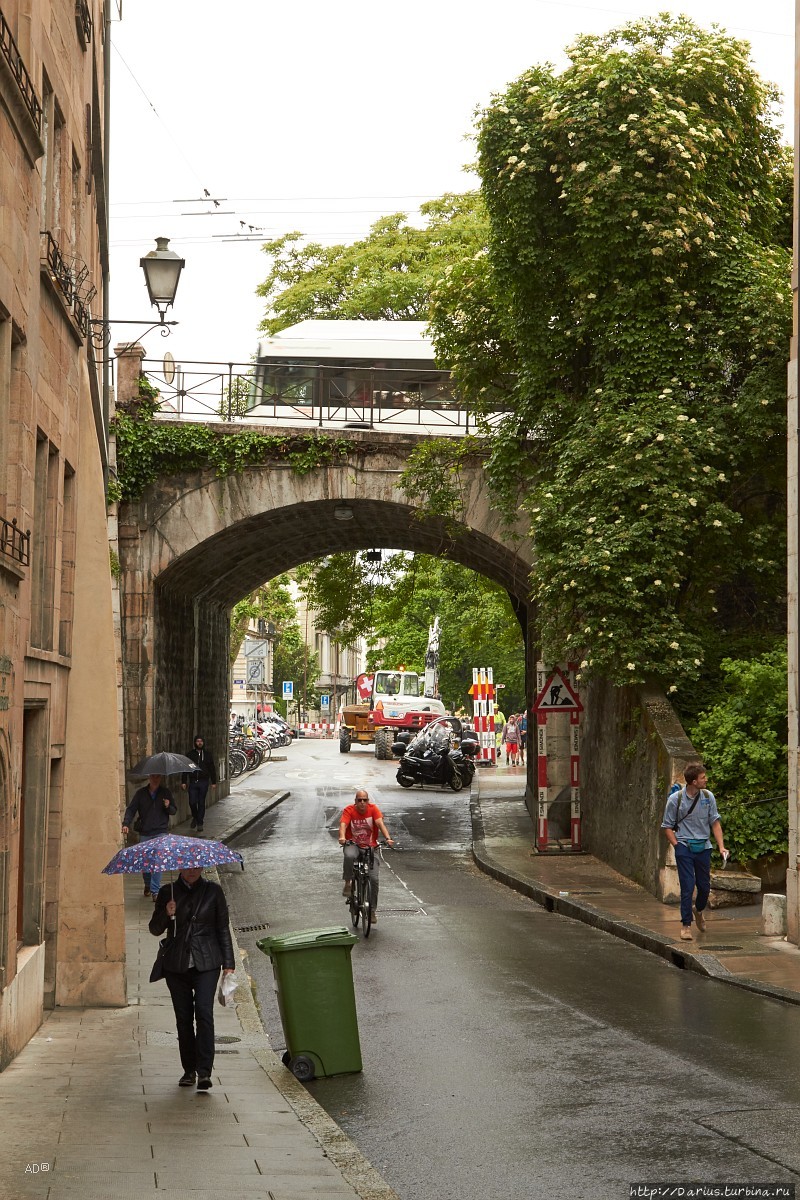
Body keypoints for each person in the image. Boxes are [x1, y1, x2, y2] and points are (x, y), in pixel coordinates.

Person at [149, 867, 235, 1091]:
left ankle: (205, 1072)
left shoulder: (213, 891)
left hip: (207, 961)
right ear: (179, 868)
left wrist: (229, 965)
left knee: (204, 1013)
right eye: (188, 868)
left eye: (196, 868)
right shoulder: (169, 892)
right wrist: (166, 913)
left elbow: (222, 928)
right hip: (177, 965)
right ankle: (189, 1070)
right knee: (184, 1018)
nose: (192, 872)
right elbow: (154, 929)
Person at [661, 763, 728, 941]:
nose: (706, 779)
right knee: (687, 886)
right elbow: (667, 826)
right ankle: (686, 926)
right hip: (684, 846)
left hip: (703, 847)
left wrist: (721, 846)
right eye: (703, 777)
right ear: (693, 781)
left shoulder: (708, 796)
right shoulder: (675, 799)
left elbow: (715, 823)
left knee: (704, 887)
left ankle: (698, 911)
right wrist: (677, 846)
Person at [338, 789, 393, 923]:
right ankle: (348, 883)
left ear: (368, 801)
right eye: (359, 800)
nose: (362, 803)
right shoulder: (349, 810)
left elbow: (380, 823)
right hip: (353, 844)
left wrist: (388, 838)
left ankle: (372, 911)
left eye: (365, 800)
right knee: (349, 855)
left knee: (374, 879)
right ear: (355, 801)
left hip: (370, 848)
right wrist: (342, 837)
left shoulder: (373, 809)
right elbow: (343, 824)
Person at [122, 774, 177, 900]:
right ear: (149, 778)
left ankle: (155, 891)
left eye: (158, 777)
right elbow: (131, 809)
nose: (155, 779)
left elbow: (174, 811)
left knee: (158, 862)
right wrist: (126, 823)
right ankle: (147, 884)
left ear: (160, 778)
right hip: (145, 832)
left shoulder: (165, 792)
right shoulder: (141, 794)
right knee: (145, 863)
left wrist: (168, 806)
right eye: (153, 777)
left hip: (161, 831)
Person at [181, 735, 217, 834]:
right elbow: (186, 769)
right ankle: (196, 817)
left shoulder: (207, 755)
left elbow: (212, 769)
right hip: (193, 781)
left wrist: (214, 782)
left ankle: (200, 823)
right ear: (195, 743)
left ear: (203, 742)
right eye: (197, 741)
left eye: (201, 741)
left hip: (203, 782)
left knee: (201, 802)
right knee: (192, 802)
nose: (199, 743)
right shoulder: (190, 755)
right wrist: (184, 781)